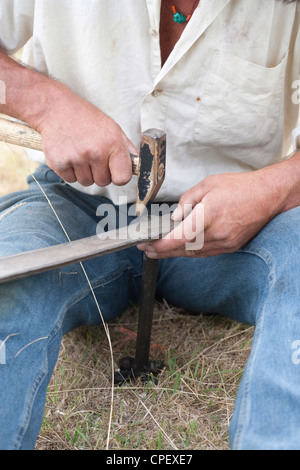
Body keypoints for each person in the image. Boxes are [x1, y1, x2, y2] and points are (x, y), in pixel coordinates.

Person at [0, 0, 299, 450]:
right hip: (74, 204)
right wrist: (46, 103)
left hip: (244, 216)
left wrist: (272, 189)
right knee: (10, 280)